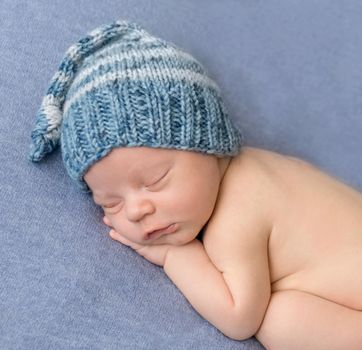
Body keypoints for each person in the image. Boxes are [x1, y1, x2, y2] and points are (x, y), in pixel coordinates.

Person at [28, 20, 362, 349]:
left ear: (211, 145)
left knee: (280, 320)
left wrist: (177, 256)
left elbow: (239, 318)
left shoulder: (237, 212)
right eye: (109, 203)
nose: (136, 210)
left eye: (156, 180)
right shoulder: (263, 166)